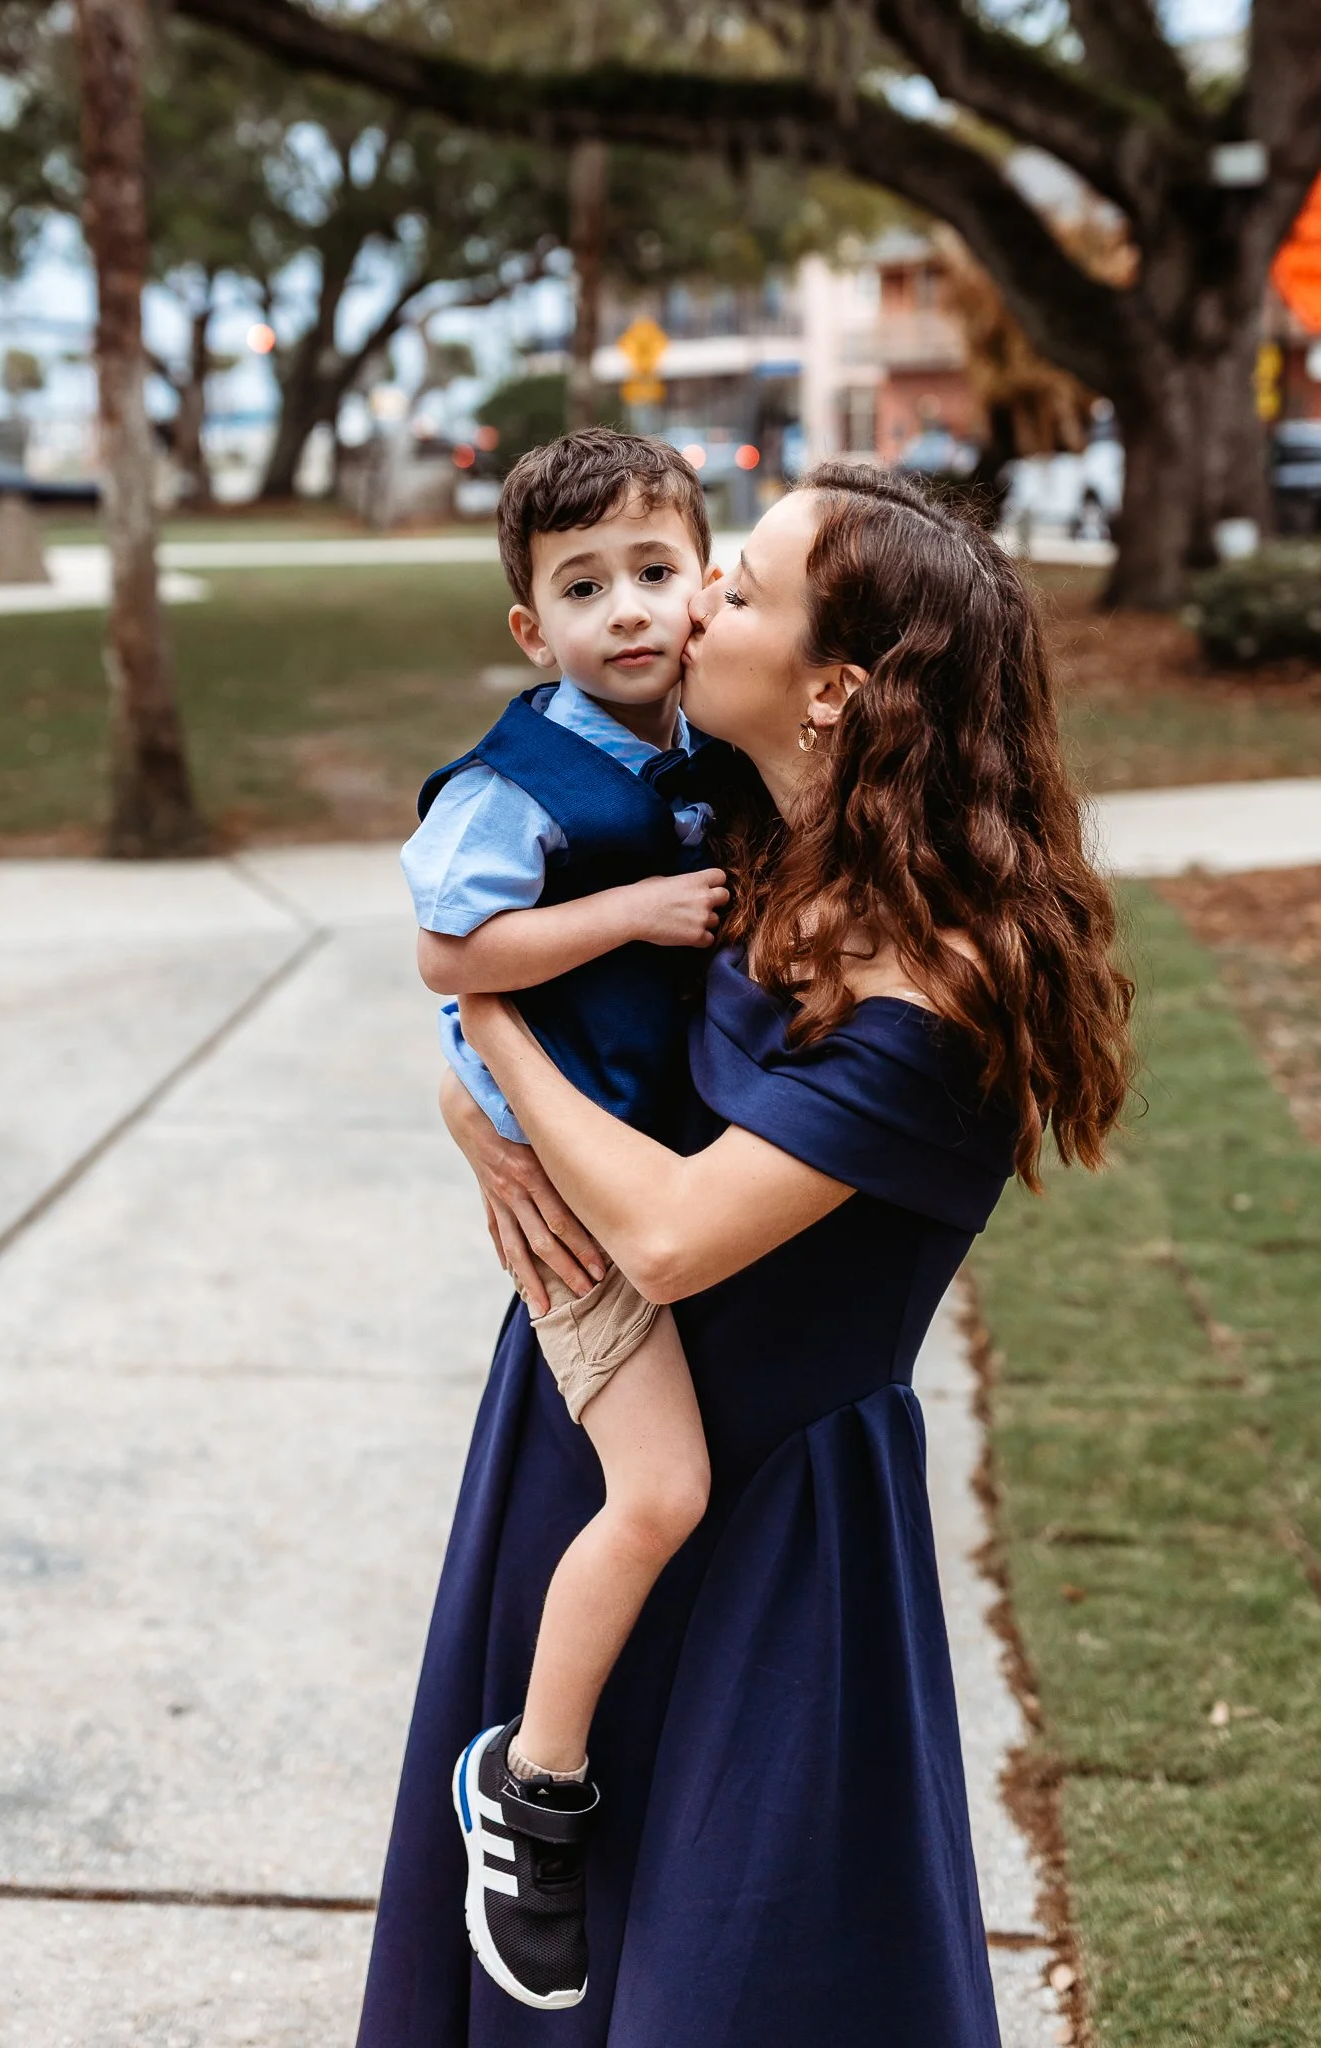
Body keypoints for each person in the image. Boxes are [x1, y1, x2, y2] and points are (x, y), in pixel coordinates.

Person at [358, 464, 1134, 2048]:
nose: (689, 604)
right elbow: (562, 1019)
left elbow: (667, 1232)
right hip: (586, 1434)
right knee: (540, 1960)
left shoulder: (943, 987)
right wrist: (469, 1106)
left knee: (730, 1973)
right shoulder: (760, 839)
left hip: (770, 1526)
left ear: (837, 687)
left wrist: (485, 1022)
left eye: (739, 585)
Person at [400, 429, 732, 2008]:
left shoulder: (702, 748)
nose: (627, 611)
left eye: (654, 573)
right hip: (580, 1212)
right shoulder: (517, 781)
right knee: (658, 1490)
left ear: (709, 580)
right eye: (582, 588)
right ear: (533, 630)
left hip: (670, 1174)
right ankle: (529, 1789)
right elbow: (450, 956)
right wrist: (635, 915)